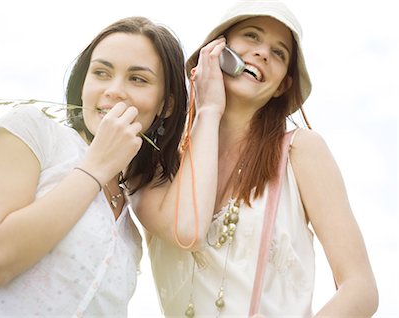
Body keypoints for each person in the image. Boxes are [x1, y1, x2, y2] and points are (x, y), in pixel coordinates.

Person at [132, 0, 378, 317]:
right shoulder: (157, 164)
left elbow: (360, 288)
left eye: (279, 53)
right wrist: (208, 111)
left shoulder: (301, 151)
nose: (263, 52)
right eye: (251, 35)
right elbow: (185, 232)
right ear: (216, 49)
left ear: (283, 85)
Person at [0, 16, 187, 317]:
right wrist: (96, 167)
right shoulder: (33, 132)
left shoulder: (130, 228)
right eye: (101, 72)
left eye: (137, 79)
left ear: (165, 105)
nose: (113, 90)